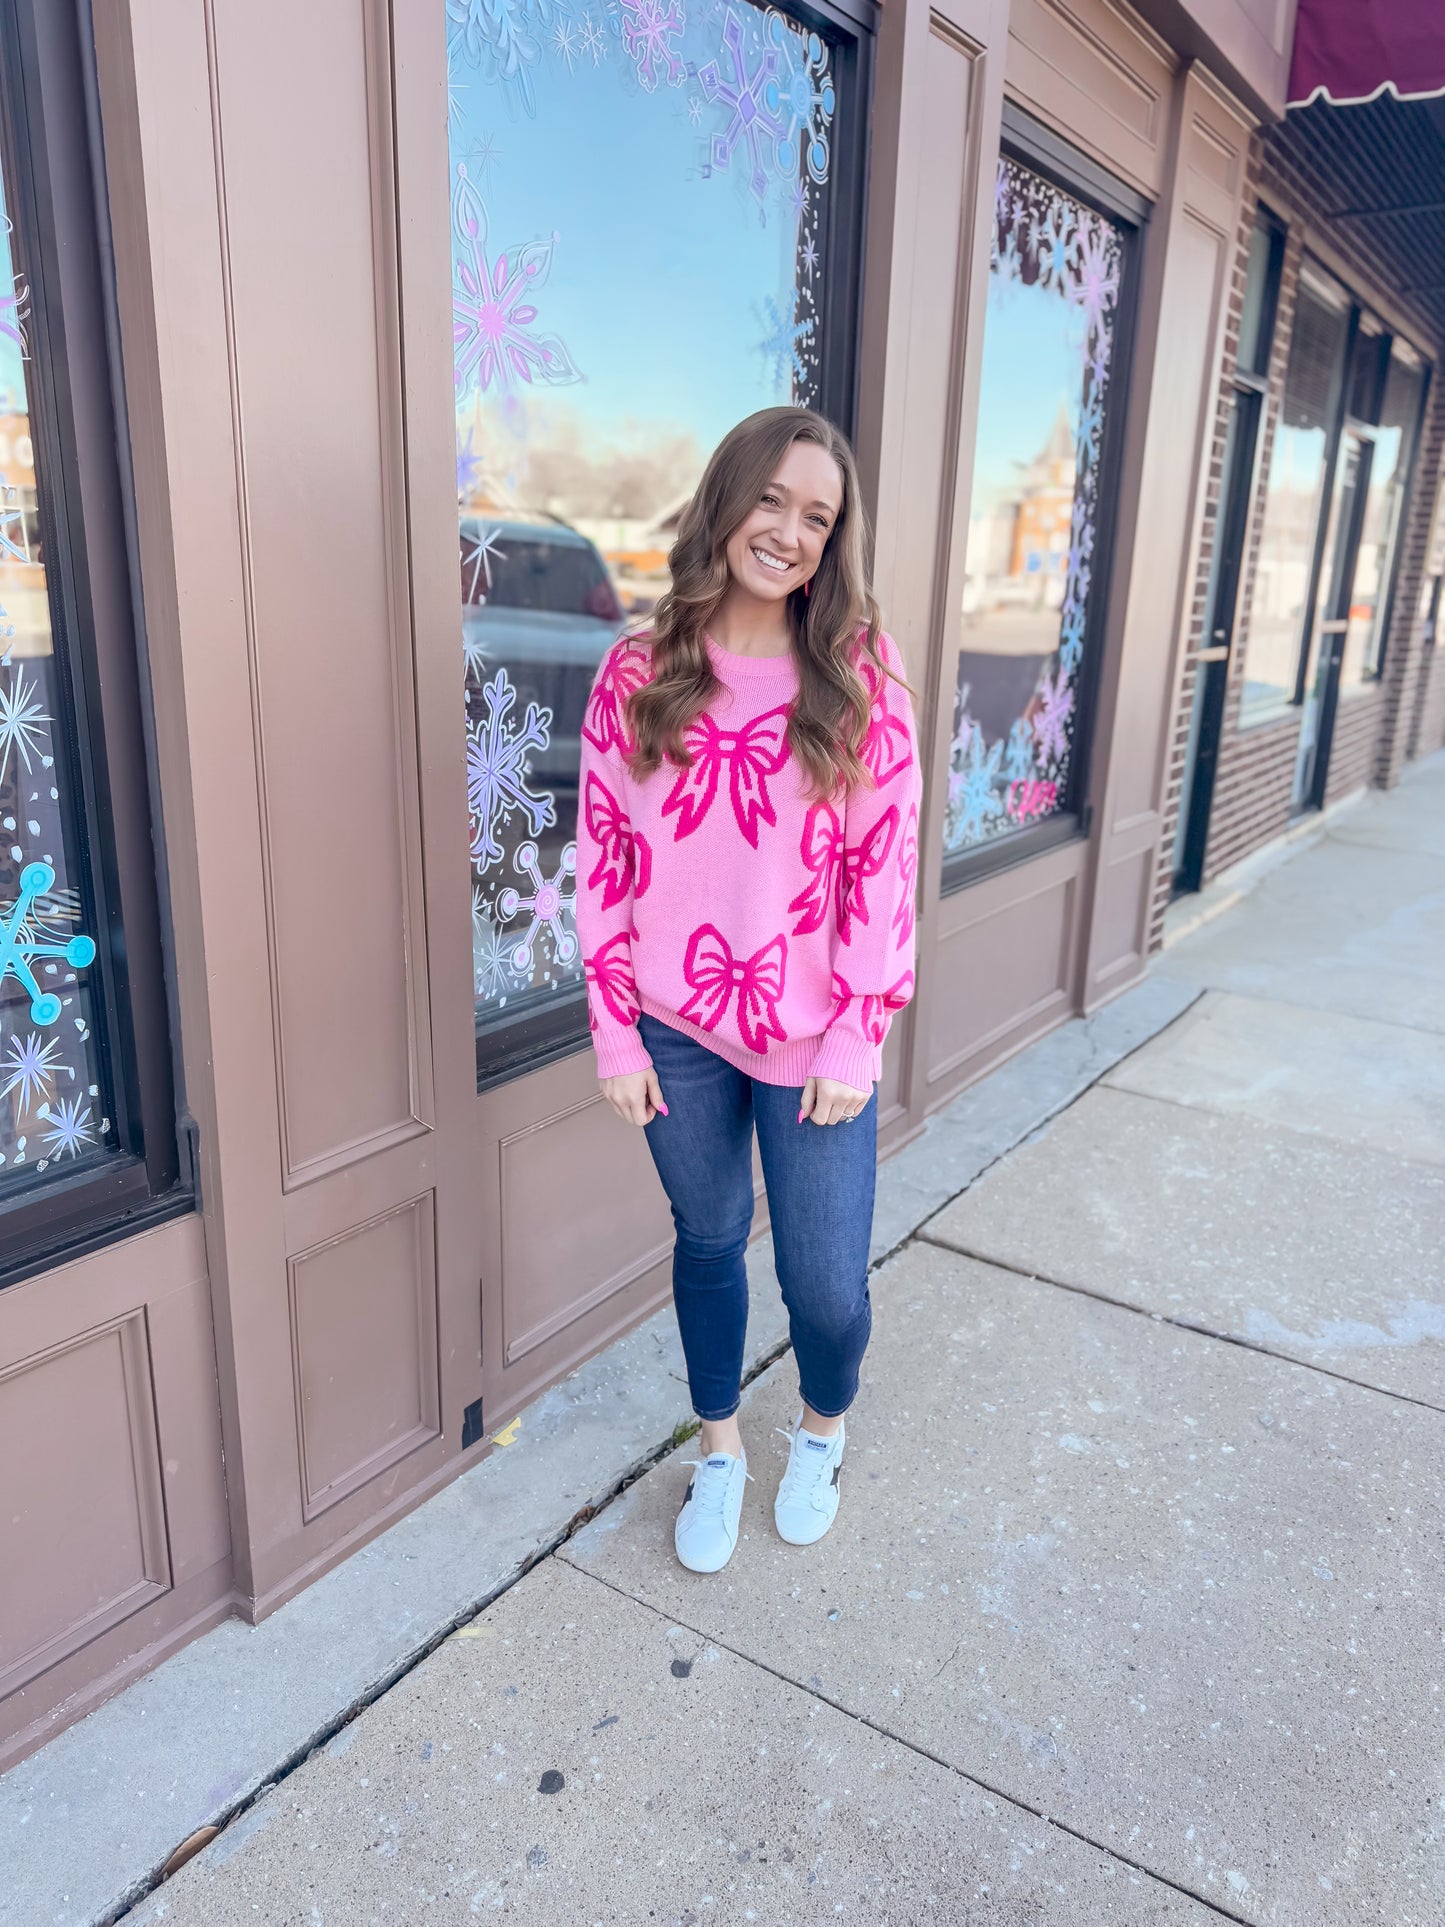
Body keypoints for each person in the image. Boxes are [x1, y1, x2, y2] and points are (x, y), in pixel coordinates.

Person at [576, 407, 921, 1574]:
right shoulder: (637, 668)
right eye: (769, 500)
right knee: (710, 1239)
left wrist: (857, 1029)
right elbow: (604, 862)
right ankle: (719, 1444)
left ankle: (821, 1424)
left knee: (823, 1285)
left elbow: (885, 863)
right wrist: (612, 1031)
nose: (785, 532)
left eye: (814, 517)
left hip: (814, 1035)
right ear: (726, 499)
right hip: (674, 1029)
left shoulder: (858, 670)